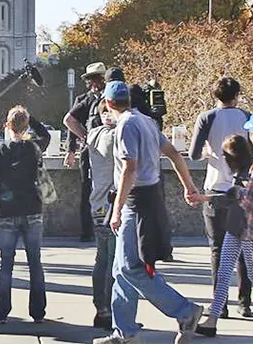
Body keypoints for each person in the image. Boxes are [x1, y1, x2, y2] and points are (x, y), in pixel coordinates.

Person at [92, 81, 204, 344]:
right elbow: (174, 154)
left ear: (108, 104)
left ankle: (185, 311)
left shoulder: (126, 126)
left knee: (130, 268)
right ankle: (125, 332)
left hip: (136, 202)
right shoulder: (147, 121)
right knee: (120, 269)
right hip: (147, 198)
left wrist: (116, 209)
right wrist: (189, 187)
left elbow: (130, 168)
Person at [189, 77, 252, 318]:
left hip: (215, 188)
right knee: (245, 247)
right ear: (237, 95)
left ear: (216, 96)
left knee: (217, 249)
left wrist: (208, 151)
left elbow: (194, 154)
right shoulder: (247, 117)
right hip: (243, 189)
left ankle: (220, 304)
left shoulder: (206, 117)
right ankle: (245, 302)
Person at [0, 105, 51, 324]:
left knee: (6, 263)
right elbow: (46, 135)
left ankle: (1, 311)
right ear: (26, 125)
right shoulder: (34, 148)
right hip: (32, 209)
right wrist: (31, 119)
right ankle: (38, 311)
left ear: (7, 125)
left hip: (8, 211)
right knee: (35, 262)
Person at [196, 134, 253, 336]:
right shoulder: (243, 171)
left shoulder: (249, 170)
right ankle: (212, 319)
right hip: (237, 227)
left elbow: (240, 196)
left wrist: (208, 197)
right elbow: (234, 195)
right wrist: (205, 198)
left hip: (247, 231)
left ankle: (212, 319)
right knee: (223, 273)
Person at [63, 62, 108, 242]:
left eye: (96, 79)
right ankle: (87, 230)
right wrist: (71, 149)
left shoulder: (111, 97)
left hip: (109, 152)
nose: (93, 83)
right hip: (91, 151)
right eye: (90, 80)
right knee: (87, 188)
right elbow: (71, 121)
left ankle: (103, 224)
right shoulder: (85, 99)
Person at [86, 101, 118, 330]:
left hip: (97, 203)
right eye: (105, 112)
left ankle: (100, 306)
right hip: (110, 204)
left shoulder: (93, 134)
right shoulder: (112, 136)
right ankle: (108, 308)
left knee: (101, 258)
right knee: (111, 261)